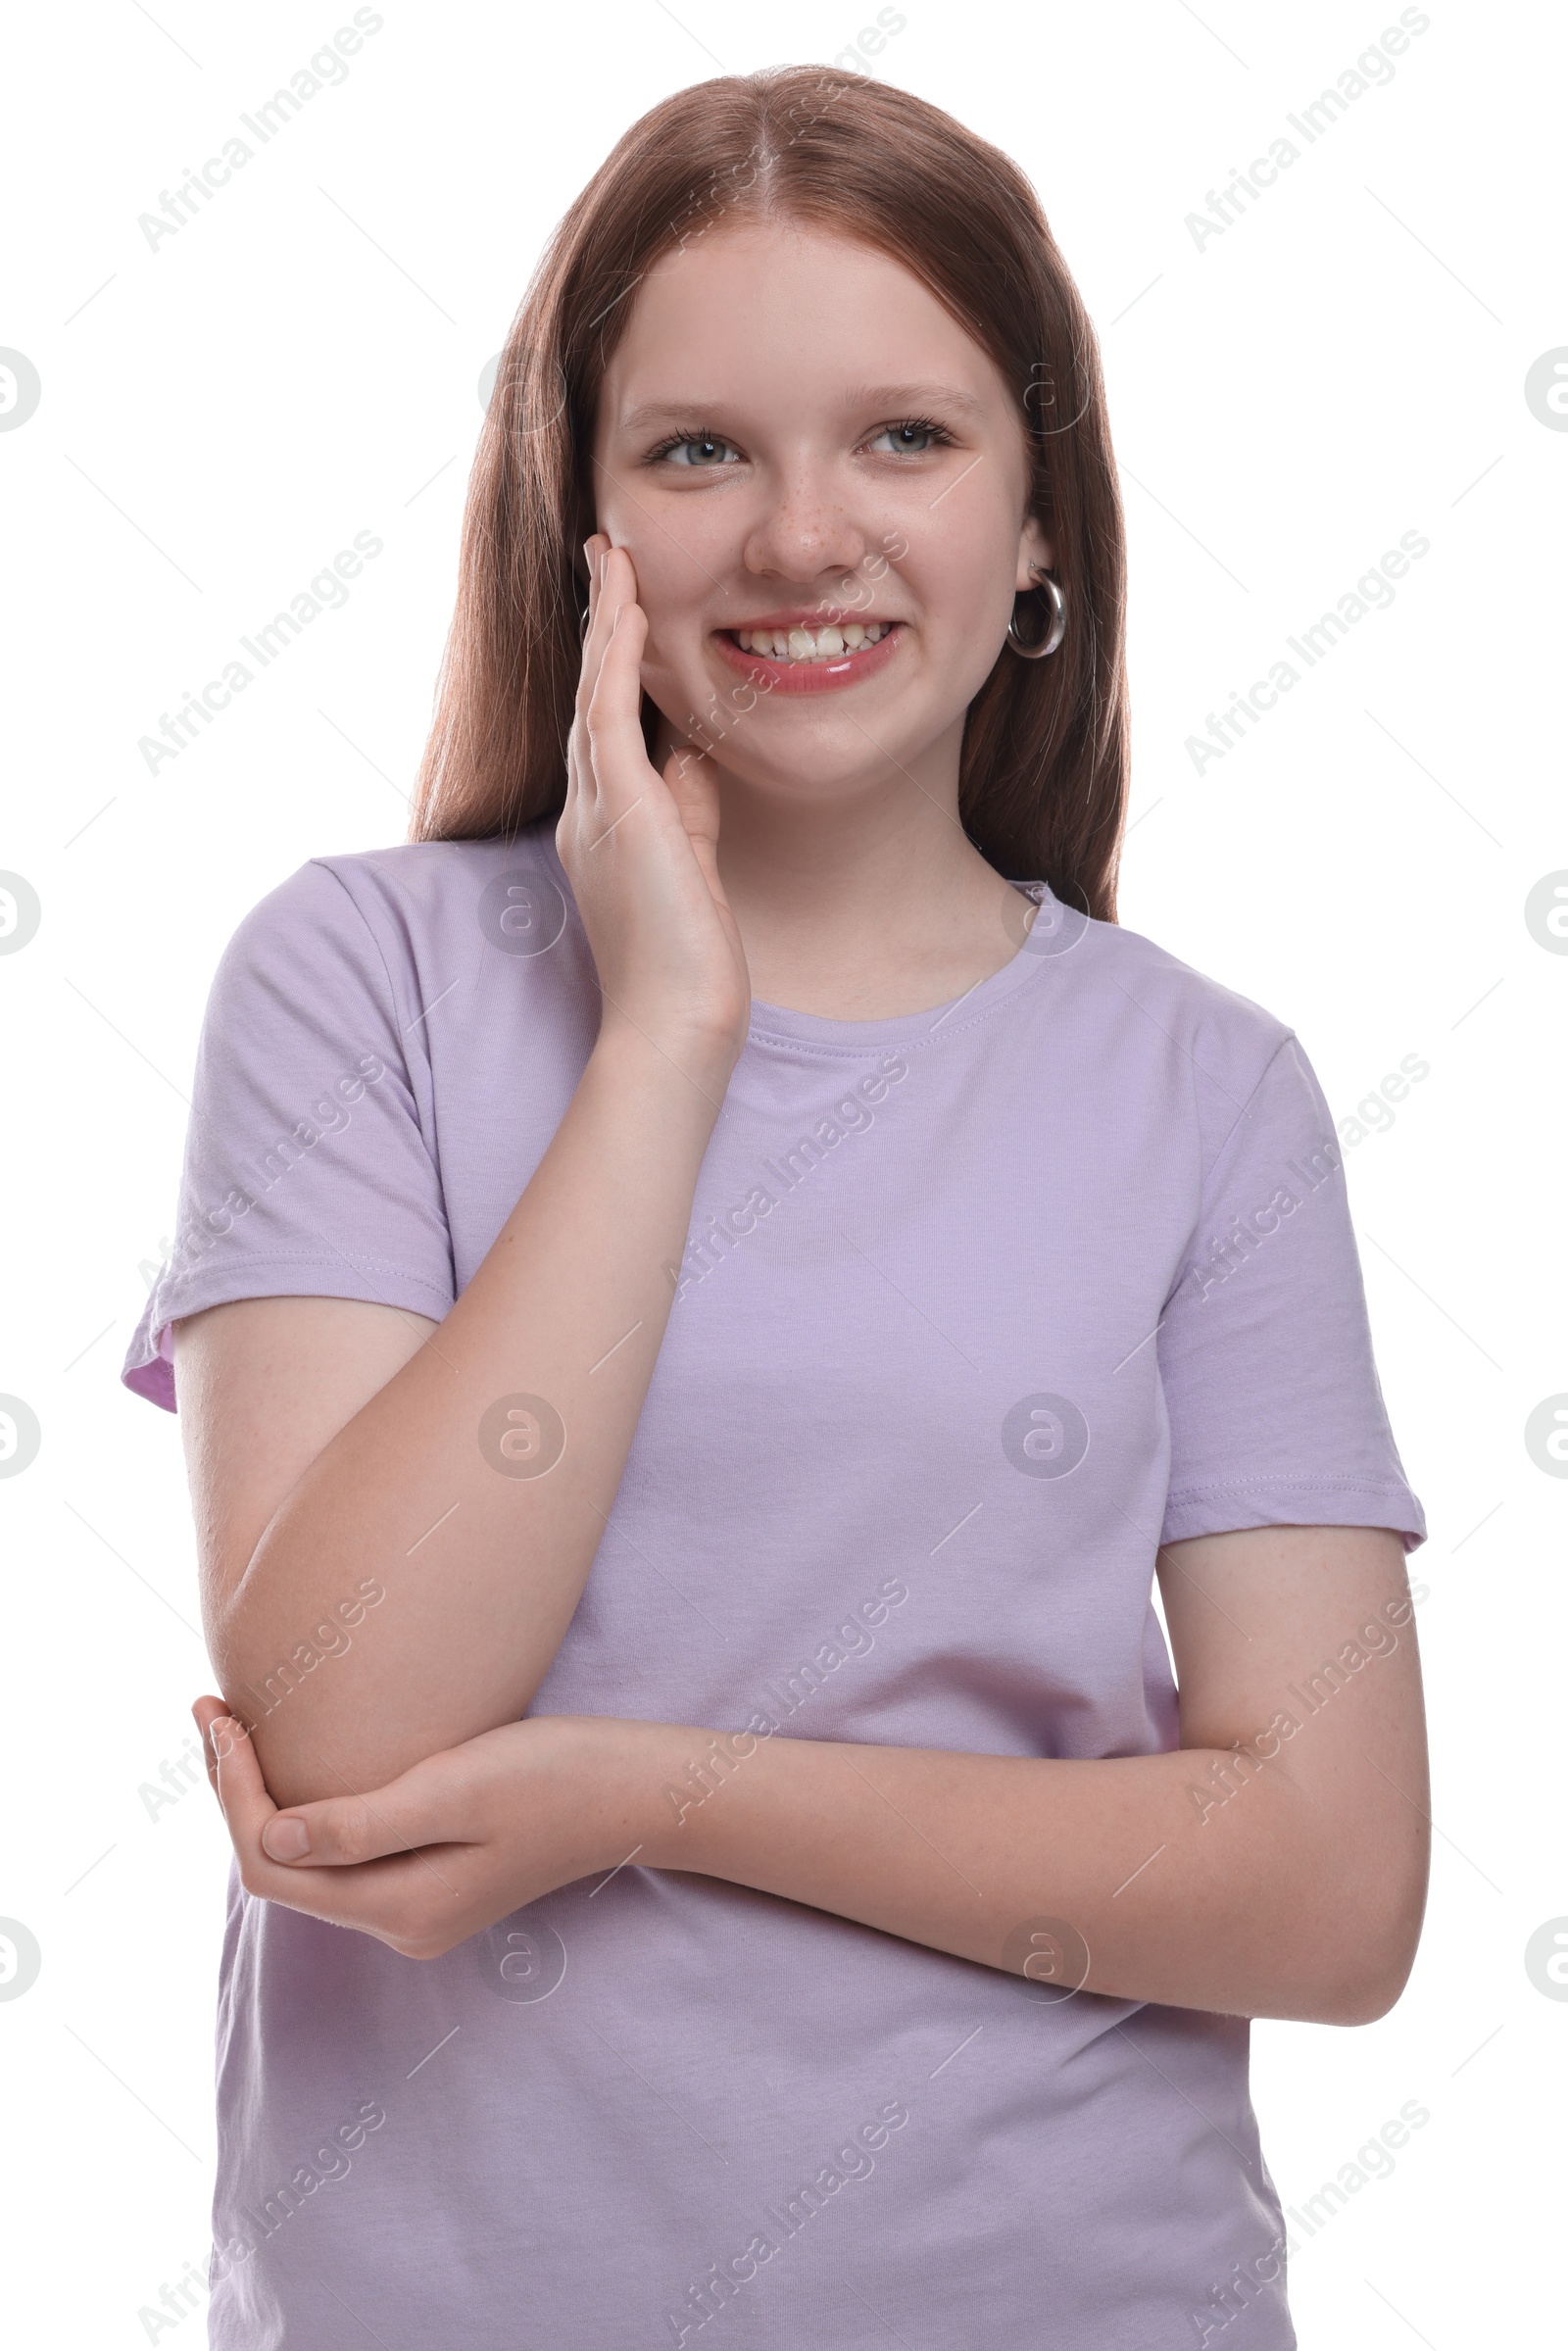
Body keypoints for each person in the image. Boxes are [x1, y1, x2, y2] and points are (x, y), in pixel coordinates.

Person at [123, 65, 1430, 2351]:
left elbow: (1326, 1894)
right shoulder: (360, 982)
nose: (801, 534)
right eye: (698, 448)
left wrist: (647, 1793)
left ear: (1039, 520)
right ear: (583, 524)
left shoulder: (1205, 1090)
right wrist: (660, 1046)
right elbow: (341, 1727)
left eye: (904, 440)